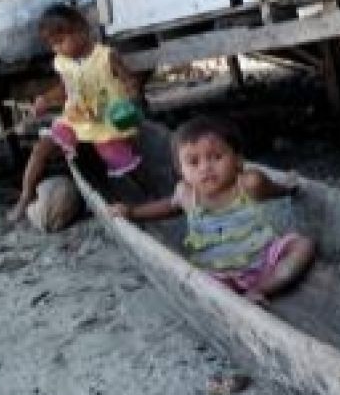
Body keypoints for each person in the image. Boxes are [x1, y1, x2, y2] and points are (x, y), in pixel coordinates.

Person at [111, 115, 315, 305]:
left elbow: (272, 189)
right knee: (204, 285)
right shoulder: (187, 194)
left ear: (238, 161)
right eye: (193, 162)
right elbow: (168, 207)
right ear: (181, 172)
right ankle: (233, 299)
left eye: (216, 157)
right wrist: (133, 212)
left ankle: (262, 288)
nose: (205, 168)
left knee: (303, 245)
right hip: (218, 273)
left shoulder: (248, 184)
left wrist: (287, 188)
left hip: (264, 260)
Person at [8, 4, 142, 222]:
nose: (57, 49)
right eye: (52, 45)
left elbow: (130, 81)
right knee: (41, 148)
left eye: (60, 41)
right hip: (76, 117)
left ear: (81, 30)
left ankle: (136, 199)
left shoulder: (105, 56)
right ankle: (26, 194)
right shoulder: (63, 62)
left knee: (120, 163)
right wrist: (46, 99)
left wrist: (132, 98)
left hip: (106, 120)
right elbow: (65, 89)